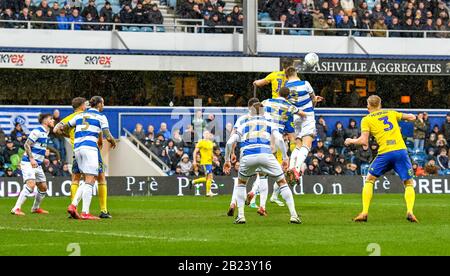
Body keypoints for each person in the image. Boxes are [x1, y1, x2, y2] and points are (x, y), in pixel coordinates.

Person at [224, 98, 301, 224]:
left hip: (247, 156)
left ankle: (241, 216)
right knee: (282, 183)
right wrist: (286, 158)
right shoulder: (269, 121)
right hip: (266, 155)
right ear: (262, 111)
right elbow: (280, 140)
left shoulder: (243, 122)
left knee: (241, 184)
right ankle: (293, 215)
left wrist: (227, 160)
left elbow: (229, 142)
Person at [344, 95, 418, 223]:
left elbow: (363, 141)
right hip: (400, 151)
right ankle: (410, 211)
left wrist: (350, 140)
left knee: (370, 180)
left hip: (385, 153)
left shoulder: (366, 120)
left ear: (368, 105)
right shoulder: (391, 113)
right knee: (408, 183)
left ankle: (364, 212)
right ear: (380, 104)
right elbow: (412, 117)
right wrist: (410, 117)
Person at [62, 96, 117, 220]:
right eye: (103, 103)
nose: (103, 105)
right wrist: (113, 142)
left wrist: (74, 136)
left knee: (88, 179)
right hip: (90, 148)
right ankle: (84, 211)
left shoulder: (79, 116)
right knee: (90, 179)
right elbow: (107, 134)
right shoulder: (101, 117)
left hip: (77, 148)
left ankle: (74, 206)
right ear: (99, 104)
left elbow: (64, 128)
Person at [11, 114, 55, 216]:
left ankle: (35, 208)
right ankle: (16, 208)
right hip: (28, 162)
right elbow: (27, 144)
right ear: (45, 121)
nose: (53, 121)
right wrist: (31, 159)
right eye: (51, 119)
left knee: (43, 187)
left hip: (37, 164)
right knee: (31, 184)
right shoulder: (37, 131)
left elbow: (38, 147)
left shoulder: (46, 132)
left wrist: (44, 160)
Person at [285, 66, 324, 181]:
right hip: (307, 115)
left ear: (286, 75)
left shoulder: (285, 87)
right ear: (296, 73)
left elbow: (286, 104)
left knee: (298, 145)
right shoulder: (305, 83)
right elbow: (313, 100)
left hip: (296, 116)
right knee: (307, 144)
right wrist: (315, 101)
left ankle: (291, 167)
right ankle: (296, 169)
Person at [192, 130, 217, 197]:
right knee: (209, 176)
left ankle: (195, 181)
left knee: (208, 178)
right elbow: (195, 152)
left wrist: (214, 157)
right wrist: (194, 160)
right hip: (204, 162)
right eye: (205, 134)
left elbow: (210, 152)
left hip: (210, 162)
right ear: (203, 135)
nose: (207, 135)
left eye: (208, 134)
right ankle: (208, 192)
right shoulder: (201, 142)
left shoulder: (211, 143)